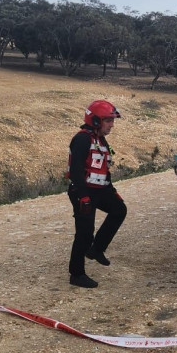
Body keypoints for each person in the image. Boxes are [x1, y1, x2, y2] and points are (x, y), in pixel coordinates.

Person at [66, 100, 128, 288]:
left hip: (100, 190)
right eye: (108, 120)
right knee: (85, 233)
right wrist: (83, 196)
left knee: (119, 210)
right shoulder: (82, 139)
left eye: (112, 120)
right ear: (95, 120)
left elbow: (103, 169)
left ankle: (96, 249)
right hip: (82, 191)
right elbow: (76, 171)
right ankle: (76, 274)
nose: (111, 125)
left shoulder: (100, 139)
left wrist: (112, 190)